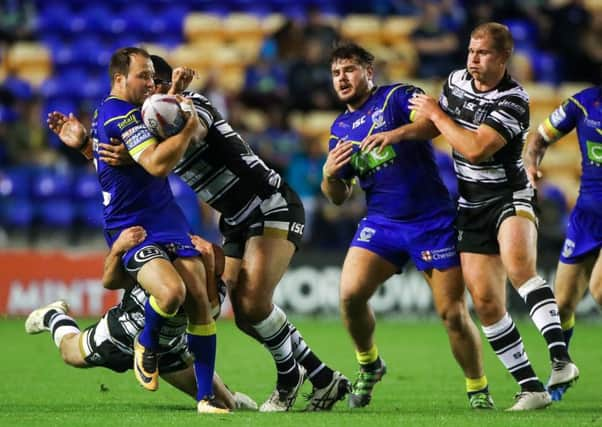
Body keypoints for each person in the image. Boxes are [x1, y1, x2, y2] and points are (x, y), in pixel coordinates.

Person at [47, 54, 349, 412]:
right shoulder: (144, 127)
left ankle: (289, 377)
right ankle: (321, 376)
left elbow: (190, 133)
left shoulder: (192, 107)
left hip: (269, 203)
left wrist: (159, 125)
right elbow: (132, 172)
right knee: (224, 306)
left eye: (152, 84)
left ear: (160, 86)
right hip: (236, 217)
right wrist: (90, 147)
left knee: (251, 306)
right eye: (144, 83)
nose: (147, 91)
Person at [363, 22, 578, 410]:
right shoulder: (456, 80)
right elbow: (433, 126)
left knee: (519, 269)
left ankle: (561, 360)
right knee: (485, 302)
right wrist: (395, 135)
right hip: (470, 203)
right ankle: (531, 388)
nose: (473, 60)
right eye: (470, 51)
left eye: (482, 53)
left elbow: (476, 148)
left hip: (508, 195)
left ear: (503, 58)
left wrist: (436, 112)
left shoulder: (515, 100)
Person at [322, 42, 493, 410]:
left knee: (452, 313)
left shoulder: (397, 97)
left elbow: (435, 124)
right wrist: (328, 176)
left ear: (369, 71)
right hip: (382, 223)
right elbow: (338, 195)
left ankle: (477, 388)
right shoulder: (340, 127)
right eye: (336, 73)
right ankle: (370, 364)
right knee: (350, 295)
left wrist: (394, 134)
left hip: (431, 221)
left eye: (349, 69)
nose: (342, 78)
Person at [73, 46, 225, 414]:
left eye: (152, 77)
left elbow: (150, 137)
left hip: (166, 218)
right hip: (134, 227)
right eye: (144, 76)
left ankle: (206, 399)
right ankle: (146, 340)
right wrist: (187, 127)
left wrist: (170, 91)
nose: (150, 83)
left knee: (199, 303)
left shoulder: (126, 112)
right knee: (171, 293)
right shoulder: (117, 115)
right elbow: (157, 163)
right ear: (119, 79)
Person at [25, 226, 258, 411]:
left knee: (225, 405)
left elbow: (210, 314)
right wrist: (117, 249)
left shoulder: (210, 279)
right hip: (122, 334)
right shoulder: (157, 263)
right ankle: (53, 316)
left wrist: (208, 269)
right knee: (70, 353)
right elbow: (110, 282)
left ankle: (230, 396)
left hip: (169, 349)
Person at [524, 84, 602, 400]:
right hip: (586, 217)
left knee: (599, 290)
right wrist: (531, 163)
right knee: (563, 303)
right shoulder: (584, 104)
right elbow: (540, 137)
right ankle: (561, 371)